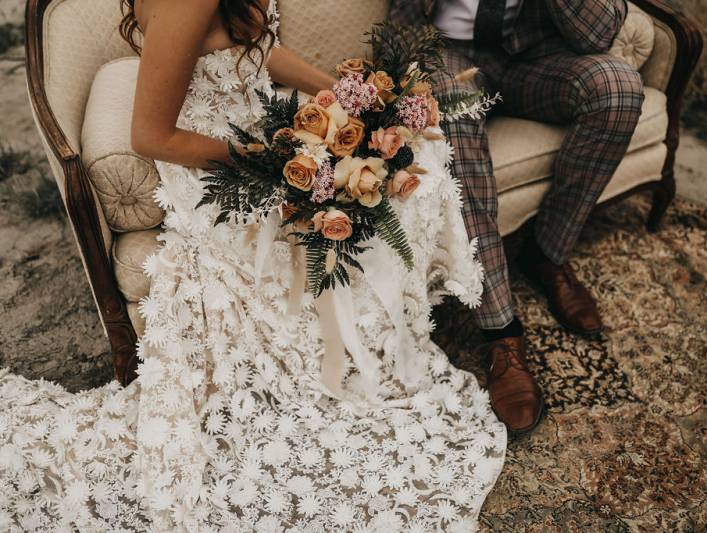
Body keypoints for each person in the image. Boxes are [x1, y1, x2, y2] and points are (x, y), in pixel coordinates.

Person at [0, 1, 507, 530]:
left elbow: (257, 52)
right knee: (387, 186)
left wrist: (346, 98)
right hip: (221, 167)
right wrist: (274, 163)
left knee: (412, 157)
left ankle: (391, 324)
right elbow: (151, 137)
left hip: (261, 128)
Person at [390, 0, 645, 427]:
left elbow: (597, 34)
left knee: (619, 87)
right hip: (447, 51)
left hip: (538, 57)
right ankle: (500, 332)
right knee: (450, 93)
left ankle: (546, 253)